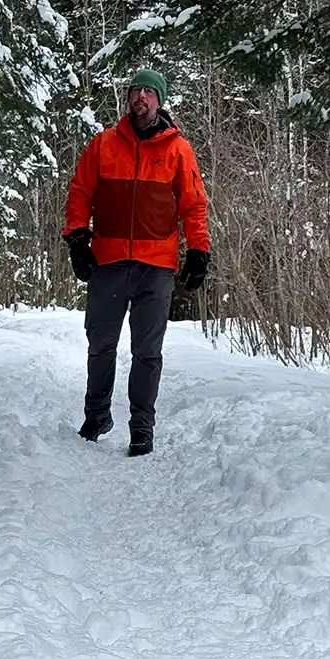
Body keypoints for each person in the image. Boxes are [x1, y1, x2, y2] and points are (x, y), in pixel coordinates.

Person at [62, 68, 210, 457]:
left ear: (160, 100)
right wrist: (77, 239)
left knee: (147, 350)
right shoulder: (104, 145)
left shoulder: (179, 150)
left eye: (148, 92)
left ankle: (142, 427)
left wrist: (198, 250)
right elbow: (79, 193)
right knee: (101, 344)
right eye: (134, 91)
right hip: (108, 262)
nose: (140, 98)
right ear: (128, 99)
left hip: (157, 266)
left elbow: (194, 204)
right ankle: (96, 416)